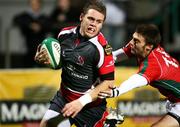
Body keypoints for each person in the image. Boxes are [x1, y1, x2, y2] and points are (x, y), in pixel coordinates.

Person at [35, 1, 115, 127]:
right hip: (64, 98)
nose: (93, 24)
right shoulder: (64, 34)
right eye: (91, 19)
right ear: (81, 17)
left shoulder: (102, 49)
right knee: (45, 125)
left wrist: (81, 102)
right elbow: (62, 63)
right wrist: (44, 59)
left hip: (90, 108)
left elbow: (109, 84)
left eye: (98, 22)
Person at [98, 24, 180, 127]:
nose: (131, 43)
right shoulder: (143, 48)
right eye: (133, 38)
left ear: (148, 47)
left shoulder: (155, 64)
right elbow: (113, 58)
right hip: (173, 99)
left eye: (136, 41)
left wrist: (116, 91)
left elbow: (135, 81)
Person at [13, 0, 49, 68]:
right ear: (30, 4)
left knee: (42, 69)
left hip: (41, 48)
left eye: (36, 4)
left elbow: (49, 24)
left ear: (40, 4)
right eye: (32, 4)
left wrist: (40, 26)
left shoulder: (44, 17)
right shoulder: (25, 16)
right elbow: (16, 20)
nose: (34, 6)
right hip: (27, 47)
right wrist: (30, 25)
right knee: (27, 67)